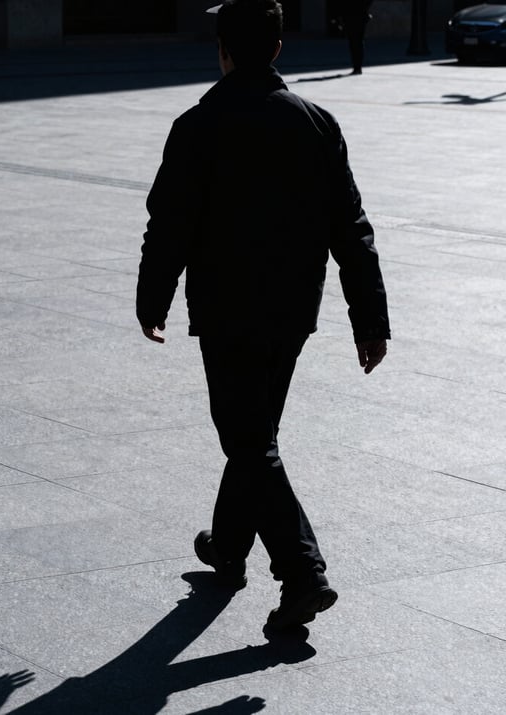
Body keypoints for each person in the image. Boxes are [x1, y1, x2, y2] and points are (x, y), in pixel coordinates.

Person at [136, 0, 390, 630]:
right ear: (279, 48)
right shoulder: (316, 123)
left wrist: (152, 296)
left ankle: (303, 573)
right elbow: (351, 229)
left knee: (247, 438)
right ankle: (228, 549)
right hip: (292, 311)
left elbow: (170, 224)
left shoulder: (198, 124)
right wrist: (370, 317)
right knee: (255, 433)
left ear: (222, 49)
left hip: (226, 310)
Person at [337, 0, 373, 74]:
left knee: (355, 42)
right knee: (356, 42)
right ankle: (357, 67)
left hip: (354, 17)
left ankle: (357, 67)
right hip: (355, 17)